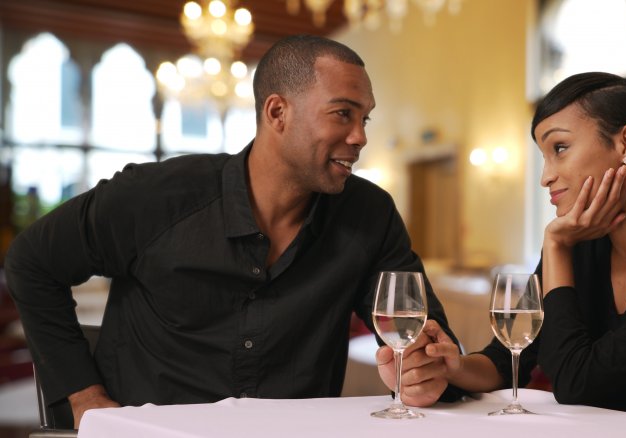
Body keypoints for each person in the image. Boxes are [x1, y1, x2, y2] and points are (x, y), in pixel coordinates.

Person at [5, 35, 460, 428]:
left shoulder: (370, 213)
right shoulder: (154, 196)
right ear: (277, 112)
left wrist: (425, 373)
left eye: (366, 119)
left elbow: (429, 336)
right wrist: (83, 398)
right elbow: (31, 261)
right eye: (343, 114)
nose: (361, 136)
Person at [380, 72, 626, 429]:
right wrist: (451, 367)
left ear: (625, 143)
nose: (546, 176)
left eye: (560, 148)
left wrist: (556, 244)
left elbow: (577, 382)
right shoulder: (581, 249)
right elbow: (507, 359)